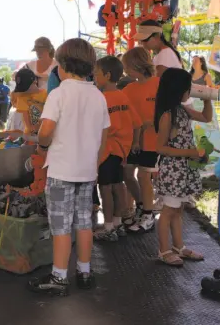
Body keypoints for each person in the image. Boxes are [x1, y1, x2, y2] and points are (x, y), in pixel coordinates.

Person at [28, 38, 110, 296]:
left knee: (61, 226)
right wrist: (94, 162)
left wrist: (42, 146)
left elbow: (46, 131)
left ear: (62, 66)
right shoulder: (98, 95)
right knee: (85, 223)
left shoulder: (59, 93)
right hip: (87, 171)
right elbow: (104, 136)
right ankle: (85, 272)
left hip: (62, 171)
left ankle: (59, 276)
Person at [154, 68, 212, 266]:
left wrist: (207, 99)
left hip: (183, 170)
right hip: (173, 171)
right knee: (169, 210)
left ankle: (179, 246)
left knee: (178, 210)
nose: (190, 90)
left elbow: (206, 118)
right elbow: (161, 147)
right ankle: (164, 250)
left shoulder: (182, 109)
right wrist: (191, 153)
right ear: (179, 89)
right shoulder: (167, 115)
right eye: (188, 87)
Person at [93, 56, 142, 241]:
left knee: (105, 189)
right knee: (118, 186)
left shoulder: (102, 99)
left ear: (106, 75)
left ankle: (107, 226)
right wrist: (135, 142)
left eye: (97, 74)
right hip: (122, 151)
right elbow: (137, 123)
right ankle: (118, 222)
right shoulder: (123, 96)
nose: (95, 77)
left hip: (107, 150)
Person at [121, 47, 160, 233]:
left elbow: (169, 111)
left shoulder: (159, 84)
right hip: (133, 140)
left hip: (153, 141)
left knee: (144, 176)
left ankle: (148, 213)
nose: (126, 71)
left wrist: (151, 122)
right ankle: (142, 205)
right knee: (128, 174)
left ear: (137, 64)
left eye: (127, 66)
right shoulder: (129, 88)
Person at [10, 68, 47, 135]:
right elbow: (26, 116)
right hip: (30, 133)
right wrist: (31, 128)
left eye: (25, 88)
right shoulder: (22, 97)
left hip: (45, 130)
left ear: (35, 81)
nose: (24, 91)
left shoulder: (46, 94)